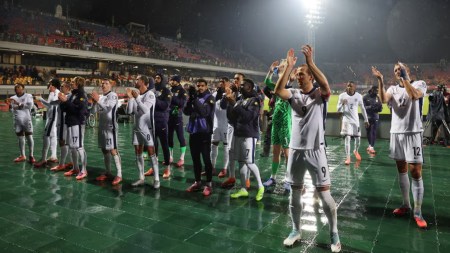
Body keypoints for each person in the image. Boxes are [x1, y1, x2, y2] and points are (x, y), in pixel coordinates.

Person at [274, 46, 340, 252]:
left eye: (301, 74)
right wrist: (289, 67)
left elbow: (326, 84)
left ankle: (334, 234)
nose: (297, 76)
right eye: (297, 74)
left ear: (310, 76)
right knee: (295, 192)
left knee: (324, 194)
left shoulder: (320, 95)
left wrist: (310, 62)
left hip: (316, 151)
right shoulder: (292, 93)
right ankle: (296, 230)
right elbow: (277, 90)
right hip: (295, 151)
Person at [372, 63, 428, 229]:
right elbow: (383, 100)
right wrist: (381, 81)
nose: (397, 71)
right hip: (396, 133)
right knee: (401, 169)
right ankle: (406, 205)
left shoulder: (419, 84)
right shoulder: (392, 89)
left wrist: (405, 79)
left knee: (415, 171)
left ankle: (418, 213)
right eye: (396, 70)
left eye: (400, 69)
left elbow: (415, 96)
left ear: (408, 70)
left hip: (413, 133)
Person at [228, 78, 265, 201]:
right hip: (238, 133)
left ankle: (260, 186)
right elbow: (232, 116)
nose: (240, 87)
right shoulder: (240, 99)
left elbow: (248, 117)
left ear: (249, 87)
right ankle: (243, 188)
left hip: (249, 135)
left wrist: (234, 104)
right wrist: (230, 101)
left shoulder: (255, 101)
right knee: (241, 162)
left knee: (249, 162)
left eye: (243, 85)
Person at [126, 75, 159, 189]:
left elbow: (146, 110)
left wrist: (136, 98)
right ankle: (141, 178)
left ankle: (156, 179)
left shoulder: (150, 94)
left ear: (144, 82)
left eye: (138, 80)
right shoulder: (136, 95)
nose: (136, 81)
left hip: (147, 128)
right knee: (138, 151)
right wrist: (130, 98)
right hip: (136, 127)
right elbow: (129, 111)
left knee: (151, 152)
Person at [262, 60, 292, 188]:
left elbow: (289, 85)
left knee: (287, 154)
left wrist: (287, 69)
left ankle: (288, 179)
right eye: (280, 64)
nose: (280, 65)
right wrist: (270, 71)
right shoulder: (276, 86)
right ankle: (273, 177)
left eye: (282, 64)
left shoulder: (288, 85)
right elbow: (266, 83)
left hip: (285, 123)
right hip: (276, 123)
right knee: (275, 152)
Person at [184, 79, 215, 196]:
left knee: (206, 159)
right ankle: (197, 182)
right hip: (194, 132)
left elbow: (204, 112)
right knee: (195, 159)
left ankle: (209, 184)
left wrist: (195, 99)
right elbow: (187, 111)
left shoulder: (210, 98)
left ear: (206, 86)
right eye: (198, 86)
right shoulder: (195, 97)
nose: (200, 88)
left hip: (205, 133)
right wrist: (190, 99)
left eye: (202, 86)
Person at [91, 79, 122, 185]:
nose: (103, 85)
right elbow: (93, 111)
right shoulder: (101, 97)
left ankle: (119, 174)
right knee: (104, 150)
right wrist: (95, 102)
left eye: (106, 83)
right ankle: (108, 172)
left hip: (110, 127)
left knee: (113, 150)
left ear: (111, 86)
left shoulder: (112, 95)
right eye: (102, 83)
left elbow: (108, 109)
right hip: (102, 127)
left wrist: (98, 100)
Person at [59, 76, 88, 180]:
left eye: (72, 82)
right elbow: (64, 108)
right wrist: (62, 101)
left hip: (78, 123)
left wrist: (66, 102)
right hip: (70, 122)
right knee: (72, 146)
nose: (71, 83)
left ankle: (84, 170)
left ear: (78, 83)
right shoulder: (72, 94)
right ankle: (75, 168)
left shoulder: (82, 94)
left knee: (79, 146)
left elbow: (78, 110)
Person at [144, 73, 172, 178]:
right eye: (155, 78)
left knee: (164, 145)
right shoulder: (151, 91)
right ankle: (153, 167)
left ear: (163, 79)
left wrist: (154, 100)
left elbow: (165, 106)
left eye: (159, 78)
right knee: (152, 146)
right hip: (151, 121)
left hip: (162, 121)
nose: (156, 79)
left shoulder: (167, 91)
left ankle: (167, 168)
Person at [337, 81, 369, 165]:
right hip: (346, 121)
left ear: (354, 87)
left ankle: (356, 150)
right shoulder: (342, 96)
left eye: (351, 86)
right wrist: (342, 105)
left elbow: (362, 108)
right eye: (348, 86)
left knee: (358, 138)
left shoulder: (358, 96)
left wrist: (366, 120)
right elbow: (338, 110)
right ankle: (348, 157)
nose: (349, 87)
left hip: (355, 121)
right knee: (347, 138)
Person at [34, 78, 61, 168]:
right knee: (53, 137)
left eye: (49, 84)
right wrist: (41, 101)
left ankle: (43, 159)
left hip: (52, 119)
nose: (48, 85)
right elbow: (48, 105)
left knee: (46, 137)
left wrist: (41, 99)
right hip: (51, 118)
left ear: (53, 85)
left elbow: (51, 105)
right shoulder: (52, 93)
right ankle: (54, 156)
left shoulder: (57, 93)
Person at [7, 83, 35, 163]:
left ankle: (31, 155)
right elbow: (12, 109)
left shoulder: (28, 96)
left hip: (26, 120)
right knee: (20, 137)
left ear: (23, 88)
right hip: (17, 120)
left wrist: (18, 104)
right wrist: (12, 106)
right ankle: (22, 155)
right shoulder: (12, 98)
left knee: (29, 136)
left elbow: (30, 106)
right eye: (15, 87)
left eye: (18, 87)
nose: (16, 88)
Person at [50, 81, 73, 172]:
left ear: (67, 88)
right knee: (67, 143)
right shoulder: (66, 97)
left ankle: (61, 164)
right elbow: (52, 103)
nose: (61, 88)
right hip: (64, 122)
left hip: (64, 123)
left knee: (62, 142)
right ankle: (70, 162)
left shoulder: (68, 97)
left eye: (62, 86)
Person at [210, 77, 230, 178]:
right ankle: (212, 167)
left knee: (226, 147)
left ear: (228, 84)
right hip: (216, 125)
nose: (221, 84)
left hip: (226, 125)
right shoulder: (214, 95)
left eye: (224, 83)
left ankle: (224, 169)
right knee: (213, 145)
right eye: (220, 83)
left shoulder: (230, 95)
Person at [168, 74, 188, 167]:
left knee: (180, 137)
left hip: (177, 117)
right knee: (169, 137)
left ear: (177, 81)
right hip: (168, 116)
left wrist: (172, 98)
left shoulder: (182, 91)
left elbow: (182, 103)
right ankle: (170, 156)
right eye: (171, 80)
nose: (171, 81)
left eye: (173, 80)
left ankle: (182, 158)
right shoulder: (169, 90)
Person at [363, 85, 383, 154]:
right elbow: (363, 108)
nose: (377, 92)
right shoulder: (365, 97)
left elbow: (380, 108)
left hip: (375, 117)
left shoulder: (378, 97)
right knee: (368, 132)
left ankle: (372, 147)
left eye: (378, 91)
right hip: (367, 117)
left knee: (374, 131)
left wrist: (379, 108)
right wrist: (371, 107)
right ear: (372, 90)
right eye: (376, 90)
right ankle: (370, 145)